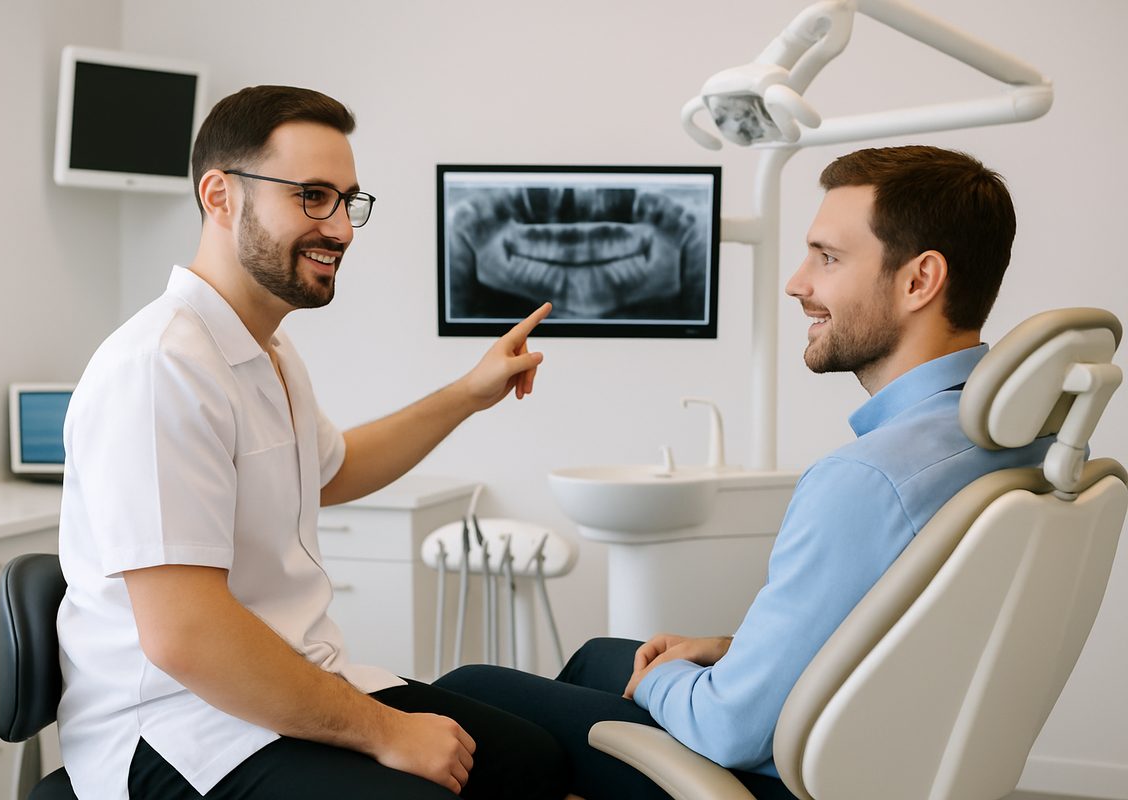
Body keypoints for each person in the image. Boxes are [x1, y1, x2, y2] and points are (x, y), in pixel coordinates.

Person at [435, 145, 1054, 800]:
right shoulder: (1021, 442)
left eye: (828, 257)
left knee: (469, 693)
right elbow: (909, 638)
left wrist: (663, 683)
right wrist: (738, 650)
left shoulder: (866, 480)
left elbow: (730, 729)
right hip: (894, 749)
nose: (797, 282)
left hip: (793, 778)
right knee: (597, 657)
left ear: (919, 280)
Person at [55, 85, 569, 800]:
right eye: (312, 197)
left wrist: (466, 394)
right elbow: (185, 638)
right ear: (221, 196)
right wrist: (386, 732)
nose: (342, 228)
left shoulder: (268, 351)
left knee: (537, 763)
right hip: (177, 726)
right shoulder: (160, 369)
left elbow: (332, 470)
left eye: (348, 200)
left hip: (281, 687)